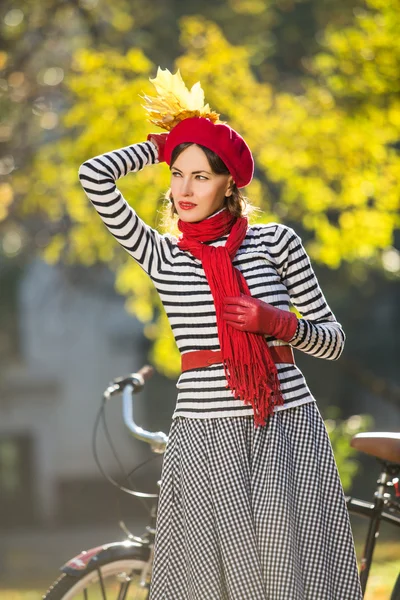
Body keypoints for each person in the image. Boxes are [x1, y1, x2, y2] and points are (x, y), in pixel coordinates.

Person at [78, 71, 362, 599]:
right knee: (213, 586)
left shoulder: (277, 243)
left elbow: (333, 340)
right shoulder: (163, 254)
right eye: (177, 174)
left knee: (288, 585)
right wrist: (162, 144)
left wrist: (275, 323)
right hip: (206, 438)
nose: (184, 190)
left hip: (284, 429)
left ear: (229, 181)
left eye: (202, 176)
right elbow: (93, 176)